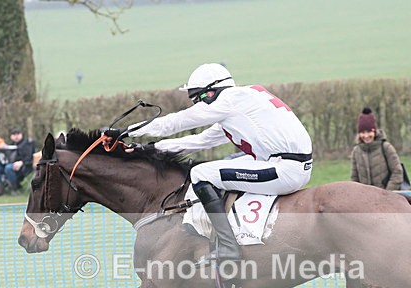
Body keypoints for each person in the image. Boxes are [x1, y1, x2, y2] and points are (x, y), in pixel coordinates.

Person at [126, 62, 313, 265]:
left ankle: (228, 246)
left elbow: (177, 122)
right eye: (194, 100)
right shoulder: (240, 106)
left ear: (215, 89)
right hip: (285, 164)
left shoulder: (230, 99)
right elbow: (199, 141)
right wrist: (145, 149)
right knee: (221, 165)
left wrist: (127, 131)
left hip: (286, 169)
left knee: (200, 174)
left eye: (200, 98)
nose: (198, 104)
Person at [349, 107, 404, 190]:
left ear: (374, 131)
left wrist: (386, 194)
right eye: (363, 132)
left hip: (387, 198)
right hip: (364, 198)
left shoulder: (386, 147)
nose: (366, 136)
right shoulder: (356, 151)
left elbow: (397, 173)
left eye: (369, 132)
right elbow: (354, 178)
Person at [0, 127, 36, 194]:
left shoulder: (28, 143)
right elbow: (3, 158)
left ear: (21, 134)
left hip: (24, 166)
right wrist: (1, 149)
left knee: (8, 168)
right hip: (9, 164)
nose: (16, 136)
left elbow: (30, 157)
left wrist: (21, 162)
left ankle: (15, 189)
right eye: (14, 134)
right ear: (11, 136)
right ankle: (1, 189)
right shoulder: (10, 144)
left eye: (18, 134)